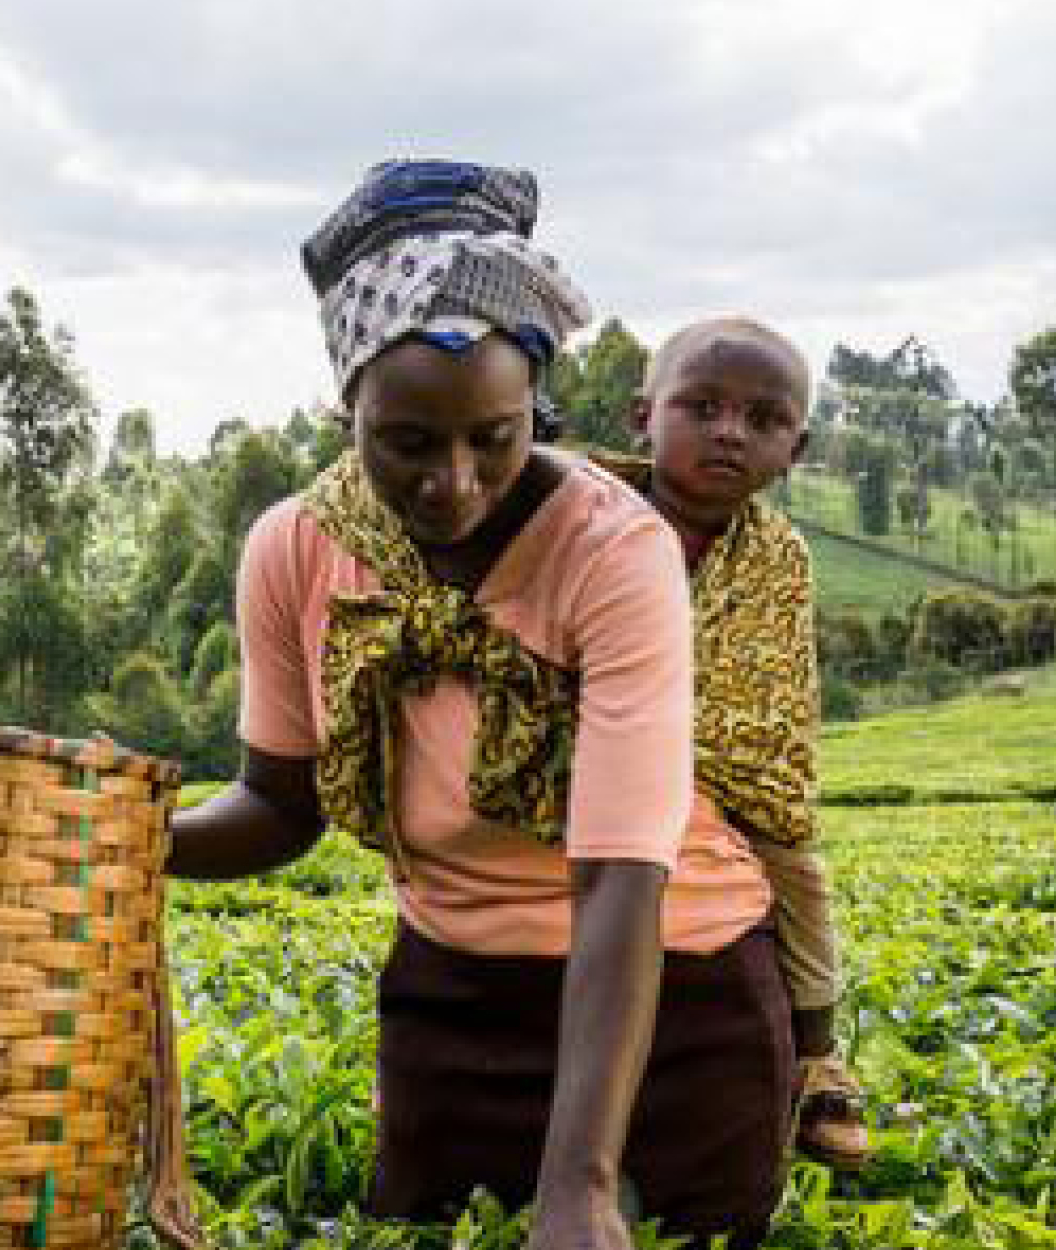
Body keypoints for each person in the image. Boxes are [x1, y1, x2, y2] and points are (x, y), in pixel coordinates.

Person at [168, 160, 795, 1250]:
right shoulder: (295, 546)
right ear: (348, 406)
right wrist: (125, 835)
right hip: (452, 995)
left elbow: (617, 872)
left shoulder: (616, 550)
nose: (452, 482)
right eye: (407, 442)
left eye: (492, 440)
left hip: (673, 1001)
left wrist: (580, 1182)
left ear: (533, 409)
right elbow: (278, 803)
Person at [613, 316, 871, 1171]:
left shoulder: (780, 556)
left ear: (795, 448)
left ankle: (817, 1060)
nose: (730, 432)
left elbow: (773, 692)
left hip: (744, 779)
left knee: (799, 877)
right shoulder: (588, 514)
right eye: (703, 407)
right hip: (603, 758)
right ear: (640, 417)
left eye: (763, 420)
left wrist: (720, 765)